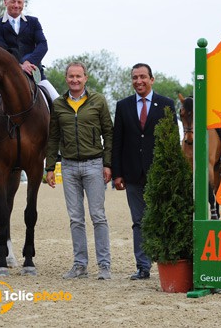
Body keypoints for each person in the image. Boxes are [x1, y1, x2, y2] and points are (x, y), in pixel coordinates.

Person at [45, 62, 114, 280]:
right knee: (75, 218)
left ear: (85, 78)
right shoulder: (58, 104)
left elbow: (109, 133)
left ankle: (104, 265)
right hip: (68, 166)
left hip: (94, 164)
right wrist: (49, 167)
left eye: (78, 76)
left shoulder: (98, 101)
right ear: (66, 79)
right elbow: (53, 137)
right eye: (71, 76)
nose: (75, 80)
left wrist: (108, 163)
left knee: (98, 216)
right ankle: (80, 265)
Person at [0, 0, 58, 158]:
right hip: (8, 77)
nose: (16, 5)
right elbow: (0, 48)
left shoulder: (33, 22)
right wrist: (17, 65)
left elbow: (42, 44)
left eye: (19, 2)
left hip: (34, 72)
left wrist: (28, 62)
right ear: (5, 3)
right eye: (13, 2)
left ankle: (57, 145)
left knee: (58, 102)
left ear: (23, 4)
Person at [111, 63, 176, 280]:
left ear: (152, 79)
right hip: (132, 174)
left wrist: (170, 172)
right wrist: (117, 174)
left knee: (161, 219)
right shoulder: (123, 106)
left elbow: (172, 141)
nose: (138, 81)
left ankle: (167, 263)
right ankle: (143, 266)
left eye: (143, 77)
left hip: (159, 175)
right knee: (139, 221)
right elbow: (117, 141)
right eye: (135, 78)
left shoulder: (167, 104)